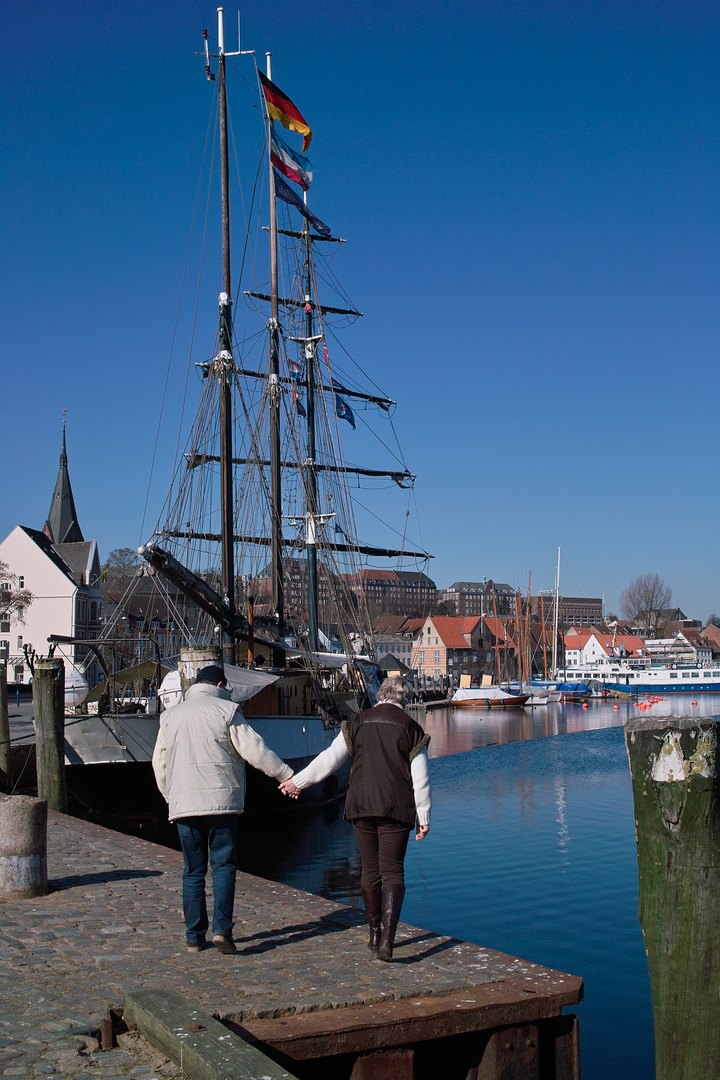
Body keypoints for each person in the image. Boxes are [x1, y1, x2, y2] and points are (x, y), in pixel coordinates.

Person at [280, 675, 430, 962]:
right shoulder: (411, 728)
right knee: (393, 871)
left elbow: (330, 759)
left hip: (360, 804)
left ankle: (373, 933)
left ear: (380, 695)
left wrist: (297, 782)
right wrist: (423, 814)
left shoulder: (357, 722)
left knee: (369, 870)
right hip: (396, 808)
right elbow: (420, 776)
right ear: (405, 699)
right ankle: (388, 939)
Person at [152, 664, 294, 954]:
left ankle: (194, 937)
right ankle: (222, 931)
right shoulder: (226, 711)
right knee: (223, 865)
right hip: (222, 804)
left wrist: (171, 796)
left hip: (184, 805)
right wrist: (286, 776)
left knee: (192, 871)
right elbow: (255, 750)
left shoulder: (169, 717)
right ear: (219, 685)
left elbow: (159, 764)